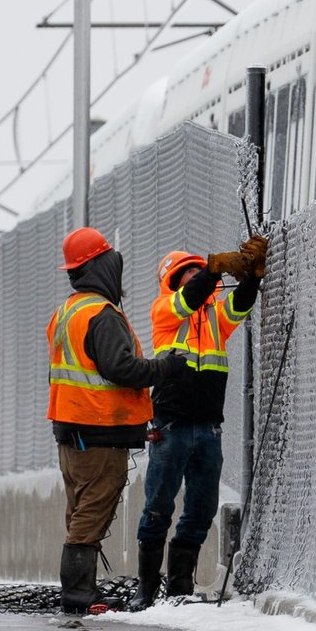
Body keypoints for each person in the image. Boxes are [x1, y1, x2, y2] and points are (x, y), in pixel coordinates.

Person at [48, 226, 187, 617]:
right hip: (96, 435)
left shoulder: (69, 311)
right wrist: (167, 367)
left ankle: (80, 591)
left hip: (73, 430)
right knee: (91, 512)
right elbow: (119, 368)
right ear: (103, 267)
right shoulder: (101, 315)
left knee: (79, 510)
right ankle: (78, 595)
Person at [130, 232, 268, 610]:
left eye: (198, 273)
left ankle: (179, 586)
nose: (196, 280)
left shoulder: (214, 317)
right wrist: (211, 268)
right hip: (170, 425)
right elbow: (189, 297)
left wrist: (252, 276)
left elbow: (240, 303)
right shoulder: (164, 311)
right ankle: (146, 588)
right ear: (172, 282)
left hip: (208, 427)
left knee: (201, 509)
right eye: (187, 274)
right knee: (158, 506)